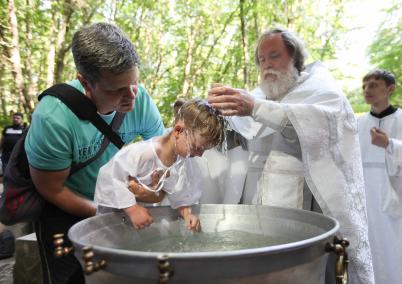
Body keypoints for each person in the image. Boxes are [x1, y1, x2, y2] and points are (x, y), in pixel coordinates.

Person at [208, 28, 374, 283]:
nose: (267, 65)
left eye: (274, 56)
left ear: (295, 58)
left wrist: (255, 108)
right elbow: (237, 139)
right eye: (262, 60)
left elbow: (318, 128)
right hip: (252, 209)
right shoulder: (257, 95)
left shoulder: (323, 90)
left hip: (299, 211)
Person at [25, 23, 164, 284]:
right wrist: (107, 212)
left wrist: (150, 186)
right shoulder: (54, 117)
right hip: (65, 209)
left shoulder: (140, 98)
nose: (130, 98)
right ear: (85, 82)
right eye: (116, 90)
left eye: (133, 83)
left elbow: (159, 151)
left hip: (118, 203)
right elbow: (52, 189)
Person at [95, 98, 225, 232]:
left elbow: (180, 191)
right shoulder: (144, 153)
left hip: (138, 223)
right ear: (178, 131)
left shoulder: (183, 160)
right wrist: (132, 209)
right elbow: (109, 176)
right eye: (197, 147)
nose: (200, 155)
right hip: (111, 223)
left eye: (204, 150)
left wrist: (187, 213)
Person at [357, 69, 402, 284]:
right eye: (365, 85)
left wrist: (390, 145)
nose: (368, 89)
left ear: (390, 88)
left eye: (374, 84)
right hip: (368, 204)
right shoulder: (356, 125)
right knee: (373, 257)